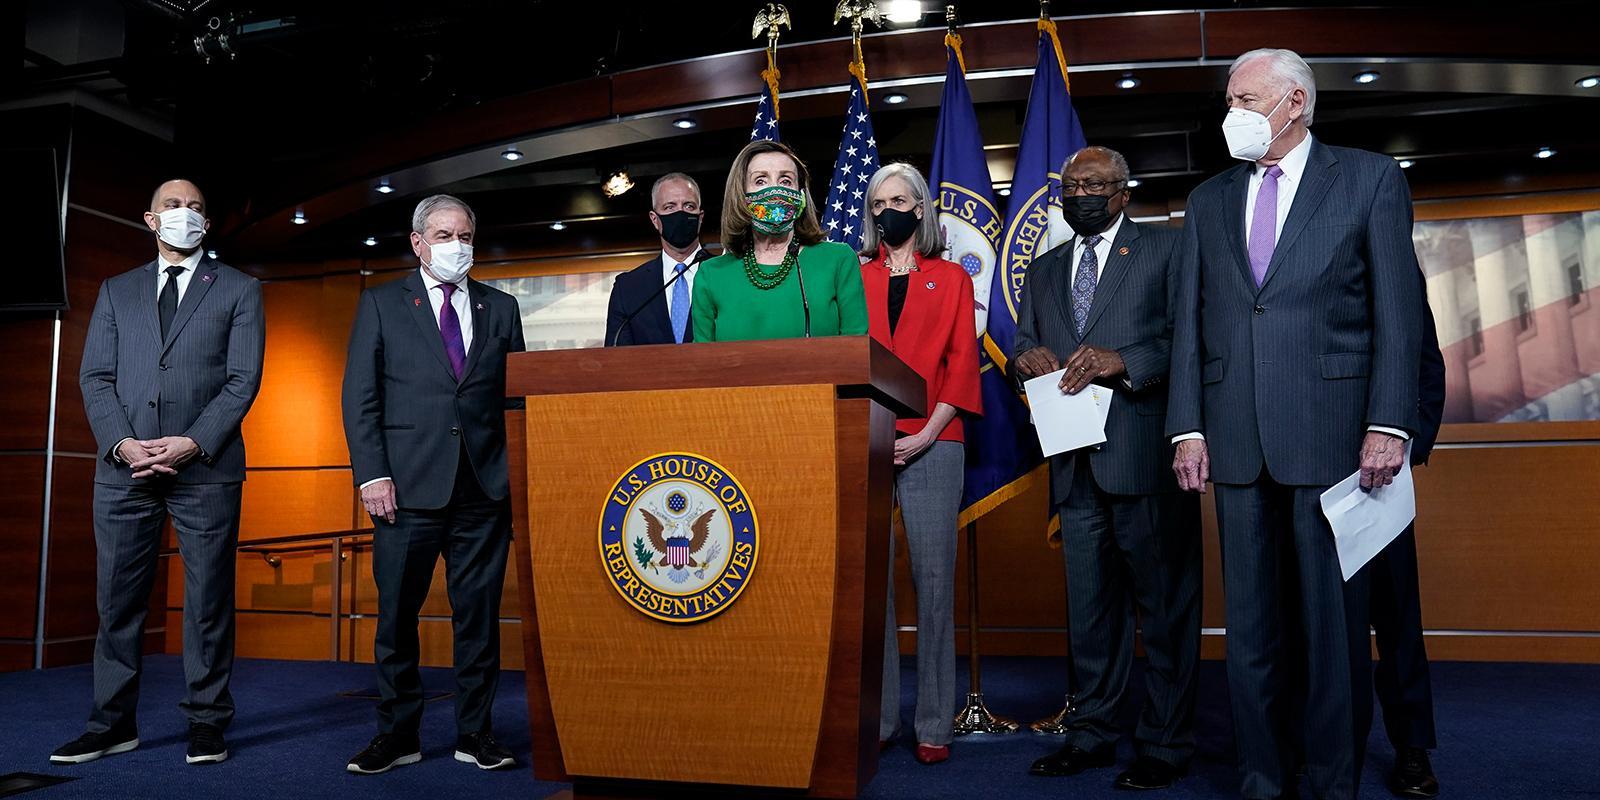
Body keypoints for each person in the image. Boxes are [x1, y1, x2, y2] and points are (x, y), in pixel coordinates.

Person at [1167, 47, 1424, 800]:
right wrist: (1186, 427)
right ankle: (1261, 777)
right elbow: (1190, 323)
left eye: (1245, 100)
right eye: (1229, 101)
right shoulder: (1208, 198)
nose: (1232, 114)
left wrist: (1389, 422)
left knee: (1332, 629)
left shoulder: (1369, 179)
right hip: (1236, 440)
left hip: (1333, 435)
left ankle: (1334, 780)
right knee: (1250, 631)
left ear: (1296, 103)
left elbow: (1398, 314)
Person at [54, 179, 265, 767]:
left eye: (196, 207)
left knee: (208, 603)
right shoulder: (116, 290)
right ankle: (111, 724)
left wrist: (191, 442)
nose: (185, 214)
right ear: (151, 219)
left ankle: (207, 722)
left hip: (206, 469)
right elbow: (96, 377)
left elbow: (243, 380)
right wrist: (123, 444)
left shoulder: (240, 288)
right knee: (117, 602)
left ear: (207, 223)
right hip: (126, 471)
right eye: (173, 206)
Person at [1013, 147, 1202, 791]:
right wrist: (1025, 360)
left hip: (1144, 456)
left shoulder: (1166, 249)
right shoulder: (1044, 269)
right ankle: (1091, 734)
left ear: (1124, 191)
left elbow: (1191, 338)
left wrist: (1125, 359)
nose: (1081, 194)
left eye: (1094, 184)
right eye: (1071, 186)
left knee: (1165, 609)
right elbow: (1023, 344)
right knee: (1090, 614)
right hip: (1074, 466)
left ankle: (1166, 742)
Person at [341, 194, 526, 774]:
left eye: (464, 236)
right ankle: (397, 736)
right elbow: (360, 396)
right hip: (404, 488)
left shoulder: (502, 307)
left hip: (484, 490)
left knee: (479, 620)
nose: (456, 246)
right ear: (418, 243)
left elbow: (516, 400)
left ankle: (476, 734)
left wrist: (515, 475)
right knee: (397, 618)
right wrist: (372, 473)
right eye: (444, 236)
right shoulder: (381, 303)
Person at [858, 163, 981, 766]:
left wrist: (928, 432)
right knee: (870, 587)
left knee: (934, 582)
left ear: (921, 207)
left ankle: (934, 723)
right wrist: (876, 434)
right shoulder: (855, 277)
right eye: (879, 203)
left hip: (936, 438)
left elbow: (962, 360)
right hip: (867, 441)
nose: (890, 211)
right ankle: (878, 719)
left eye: (900, 200)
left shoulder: (952, 277)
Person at [1371, 296, 1446, 799]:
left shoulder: (1393, 260)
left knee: (1396, 617)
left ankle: (1412, 748)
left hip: (1381, 475)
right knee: (1308, 618)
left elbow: (1425, 363)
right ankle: (1314, 742)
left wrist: (1405, 445)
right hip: (1300, 466)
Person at [691, 139, 868, 342]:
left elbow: (856, 349)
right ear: (741, 195)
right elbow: (702, 358)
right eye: (760, 181)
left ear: (801, 195)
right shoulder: (711, 273)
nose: (775, 191)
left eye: (785, 181)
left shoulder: (838, 259)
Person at [605, 172, 710, 346]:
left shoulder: (725, 275)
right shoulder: (627, 288)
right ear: (654, 220)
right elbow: (616, 356)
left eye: (689, 206)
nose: (680, 213)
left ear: (700, 217)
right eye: (670, 207)